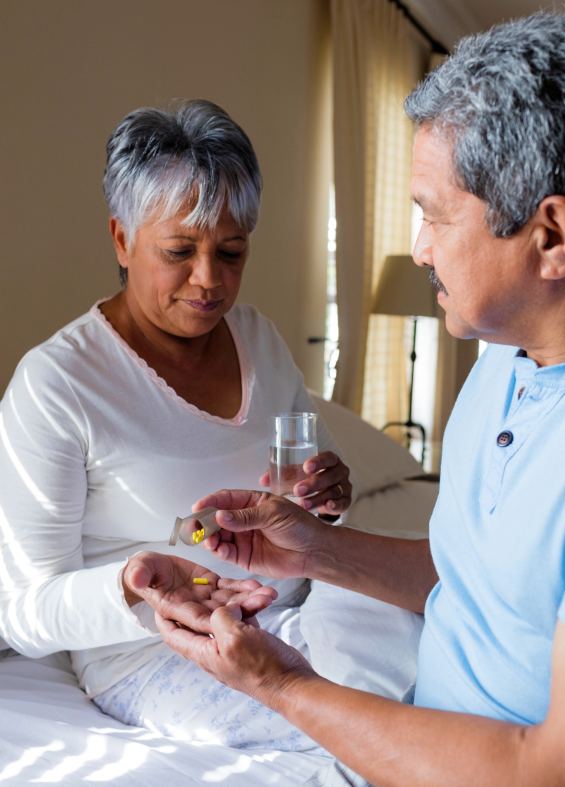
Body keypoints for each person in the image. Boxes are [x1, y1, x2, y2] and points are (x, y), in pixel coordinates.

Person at [141, 12, 565, 785]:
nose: (419, 247)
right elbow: (480, 584)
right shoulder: (498, 360)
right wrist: (315, 548)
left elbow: (557, 768)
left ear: (552, 236)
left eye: (434, 214)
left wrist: (284, 683)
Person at [0, 99, 356, 750]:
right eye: (179, 250)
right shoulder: (59, 384)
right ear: (121, 239)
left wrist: (327, 494)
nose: (209, 280)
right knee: (373, 702)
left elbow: (310, 475)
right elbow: (23, 611)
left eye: (231, 251)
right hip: (160, 655)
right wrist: (134, 585)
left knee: (443, 625)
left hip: (300, 607)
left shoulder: (259, 339)